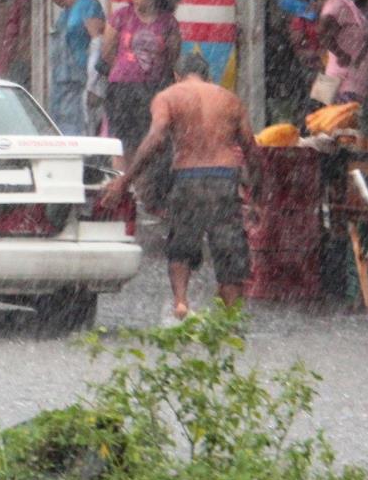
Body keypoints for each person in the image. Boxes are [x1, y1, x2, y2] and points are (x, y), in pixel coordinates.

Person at [102, 52, 258, 322]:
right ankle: (231, 316)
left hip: (188, 178)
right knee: (229, 247)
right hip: (224, 178)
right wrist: (257, 193)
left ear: (176, 75)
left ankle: (181, 303)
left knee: (181, 246)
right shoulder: (229, 99)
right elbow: (251, 149)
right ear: (209, 76)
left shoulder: (169, 97)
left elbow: (156, 137)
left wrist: (126, 179)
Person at [101, 0, 185, 170]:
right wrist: (126, 70)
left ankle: (140, 188)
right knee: (121, 141)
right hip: (122, 89)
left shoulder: (167, 22)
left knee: (149, 140)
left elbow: (172, 56)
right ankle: (122, 185)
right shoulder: (122, 16)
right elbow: (107, 51)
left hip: (152, 90)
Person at [43, 0, 106, 136]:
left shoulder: (88, 6)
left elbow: (98, 45)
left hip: (80, 85)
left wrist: (94, 86)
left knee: (79, 134)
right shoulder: (66, 13)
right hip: (61, 87)